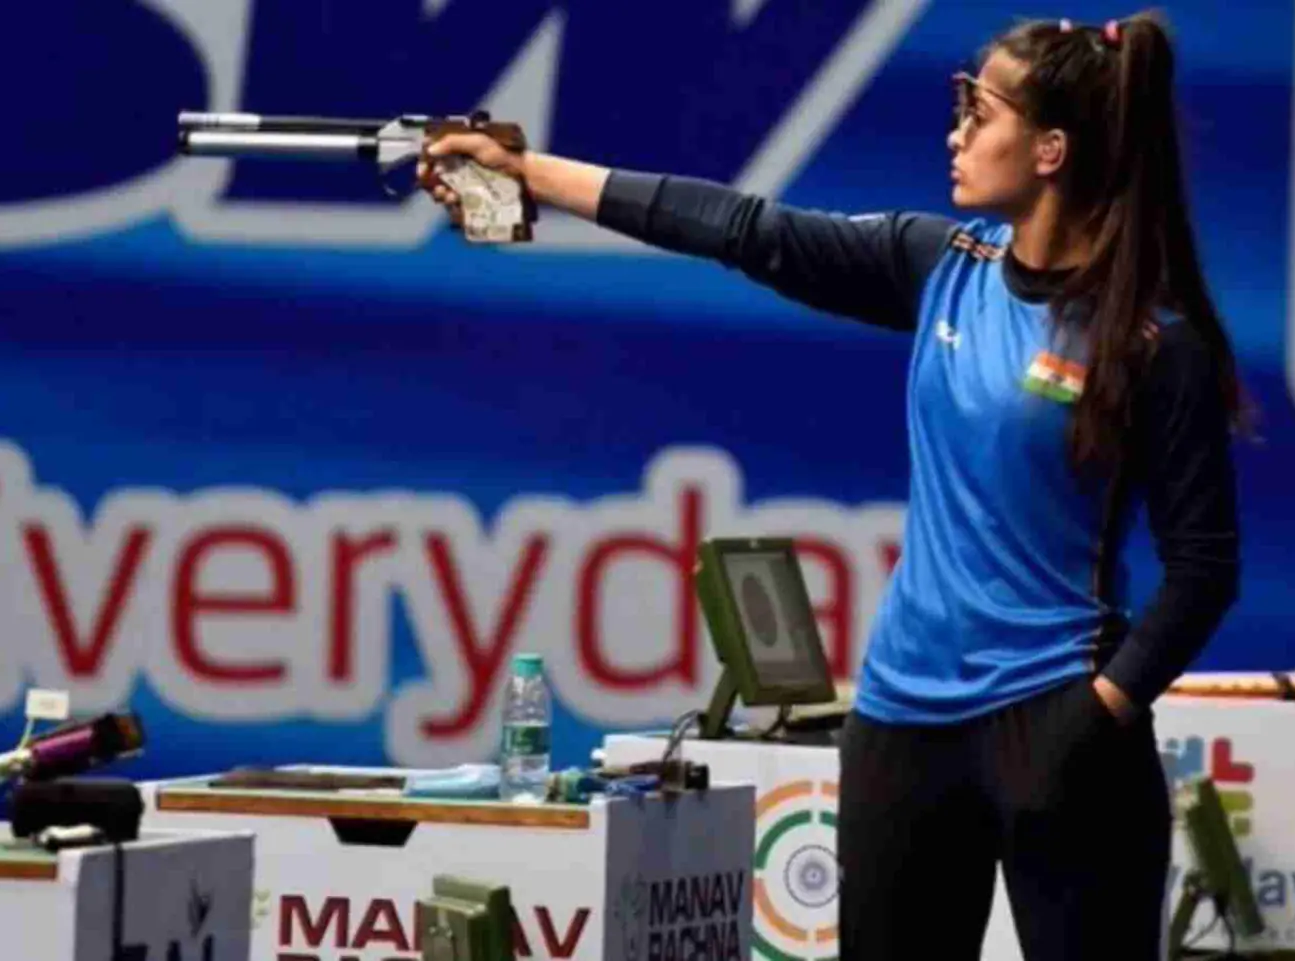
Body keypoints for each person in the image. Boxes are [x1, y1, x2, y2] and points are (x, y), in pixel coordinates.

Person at [419, 10, 1243, 960]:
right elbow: (740, 229)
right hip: (902, 727)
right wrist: (528, 173)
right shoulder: (941, 267)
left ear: (1051, 149)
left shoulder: (1152, 343)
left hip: (1058, 726)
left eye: (980, 111)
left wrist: (1097, 711)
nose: (956, 132)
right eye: (959, 107)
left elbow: (1204, 569)